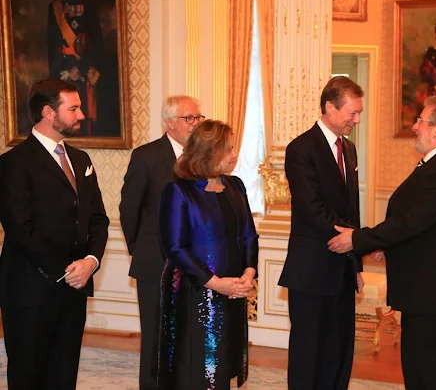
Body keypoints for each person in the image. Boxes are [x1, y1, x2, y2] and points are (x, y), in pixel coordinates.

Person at [328, 95, 436, 390]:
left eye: (421, 121)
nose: (414, 126)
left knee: (433, 372)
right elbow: (426, 223)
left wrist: (357, 239)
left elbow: (411, 222)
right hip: (427, 288)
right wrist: (390, 245)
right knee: (419, 369)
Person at [0, 78, 109, 389]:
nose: (81, 114)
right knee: (29, 374)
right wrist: (66, 270)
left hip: (75, 285)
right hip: (30, 289)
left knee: (64, 372)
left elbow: (98, 219)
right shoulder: (13, 163)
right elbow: (21, 229)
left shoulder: (81, 160)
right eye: (73, 108)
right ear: (49, 112)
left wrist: (91, 260)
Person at [278, 76, 365, 390]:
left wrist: (356, 262)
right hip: (312, 269)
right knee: (308, 352)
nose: (356, 120)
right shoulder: (301, 148)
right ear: (330, 107)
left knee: (339, 350)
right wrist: (354, 239)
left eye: (359, 114)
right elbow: (312, 208)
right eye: (352, 113)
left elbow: (351, 210)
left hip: (343, 268)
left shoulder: (350, 149)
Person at [157, 120, 258, 390]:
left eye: (233, 148)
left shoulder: (236, 186)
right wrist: (215, 283)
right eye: (228, 149)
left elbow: (248, 234)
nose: (234, 154)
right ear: (208, 152)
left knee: (223, 363)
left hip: (233, 290)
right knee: (196, 368)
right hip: (194, 294)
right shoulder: (178, 191)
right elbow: (175, 248)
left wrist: (248, 274)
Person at [120, 95, 203, 390]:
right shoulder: (146, 156)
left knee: (189, 337)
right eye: (189, 118)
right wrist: (140, 249)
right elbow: (129, 210)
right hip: (155, 263)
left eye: (198, 118)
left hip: (195, 265)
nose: (196, 124)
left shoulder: (202, 157)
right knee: (156, 339)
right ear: (170, 123)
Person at [47, 0, 103, 136]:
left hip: (80, 71)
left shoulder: (87, 3)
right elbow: (51, 45)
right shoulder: (54, 6)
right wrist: (53, 75)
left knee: (80, 120)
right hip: (60, 70)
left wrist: (80, 68)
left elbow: (97, 42)